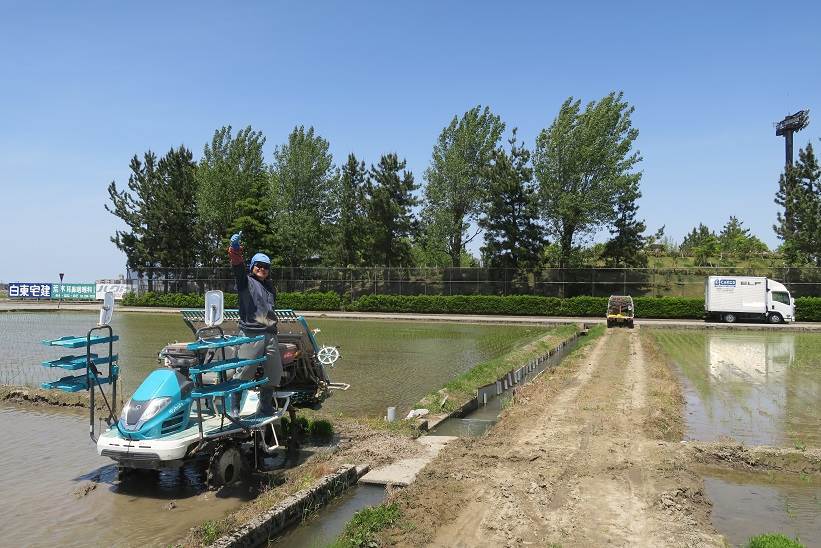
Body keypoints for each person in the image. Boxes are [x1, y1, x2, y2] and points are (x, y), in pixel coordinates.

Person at [227, 232, 281, 416]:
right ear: (252, 267)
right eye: (259, 266)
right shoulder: (245, 281)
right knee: (245, 370)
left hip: (270, 335)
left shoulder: (269, 286)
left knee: (274, 373)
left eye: (266, 267)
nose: (262, 269)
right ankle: (234, 405)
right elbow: (237, 267)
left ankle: (265, 405)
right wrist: (235, 250)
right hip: (251, 333)